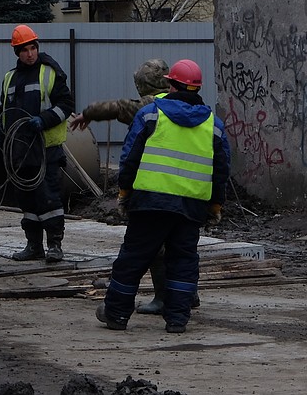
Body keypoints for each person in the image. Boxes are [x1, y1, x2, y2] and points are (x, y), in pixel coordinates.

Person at [96, 58, 230, 334]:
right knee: (183, 261)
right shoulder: (213, 125)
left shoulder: (151, 114)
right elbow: (221, 169)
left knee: (133, 258)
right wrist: (215, 204)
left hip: (150, 203)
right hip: (192, 206)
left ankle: (116, 315)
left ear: (170, 84)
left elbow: (130, 156)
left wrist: (125, 192)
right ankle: (177, 319)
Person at [69, 58, 181, 315]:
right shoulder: (184, 105)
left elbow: (116, 107)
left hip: (154, 188)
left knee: (150, 248)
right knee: (180, 244)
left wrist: (87, 113)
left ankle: (158, 299)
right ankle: (185, 294)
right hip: (184, 188)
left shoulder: (150, 106)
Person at [0, 24, 74, 263]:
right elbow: (6, 112)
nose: (30, 53)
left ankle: (54, 245)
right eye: (24, 50)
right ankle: (34, 246)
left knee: (48, 197)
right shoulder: (9, 78)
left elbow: (66, 105)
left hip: (45, 148)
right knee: (27, 199)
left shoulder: (49, 72)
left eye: (33, 48)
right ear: (17, 52)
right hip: (20, 150)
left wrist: (43, 120)